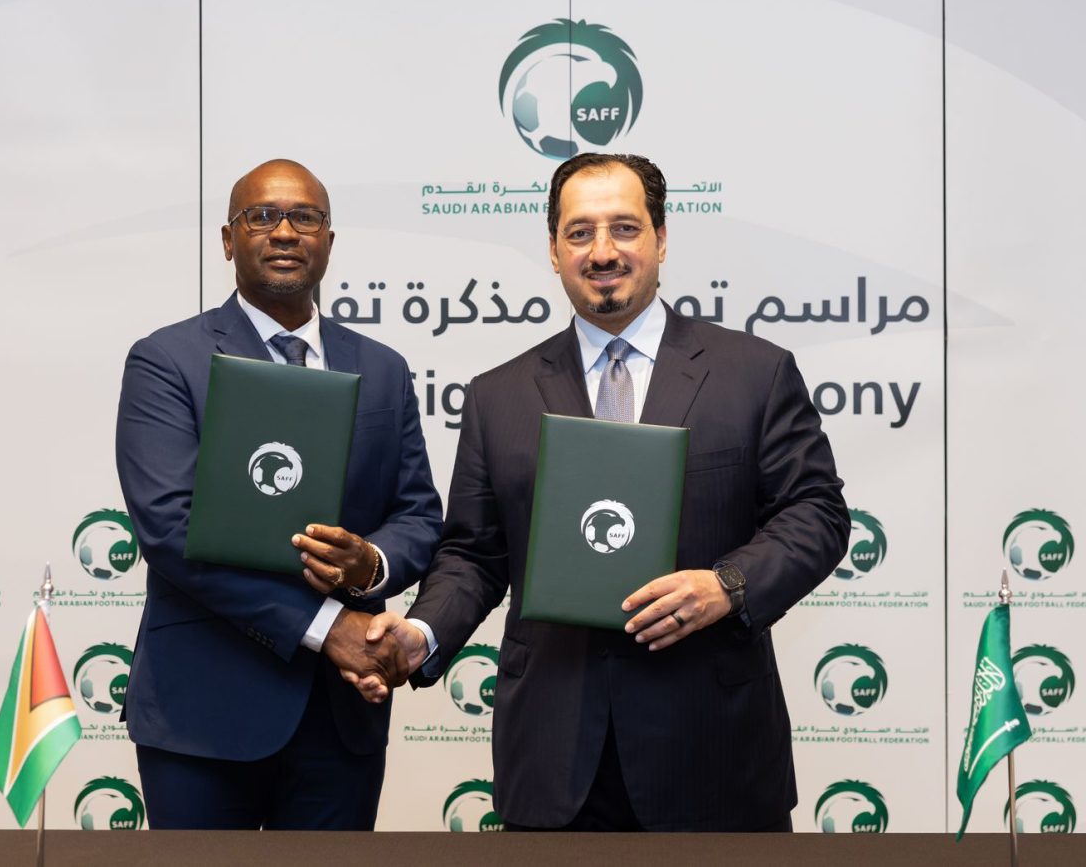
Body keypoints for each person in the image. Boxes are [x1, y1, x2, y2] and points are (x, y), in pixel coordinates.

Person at [360, 153, 850, 832]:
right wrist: (421, 631)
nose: (603, 251)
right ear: (555, 251)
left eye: (624, 228)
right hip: (555, 757)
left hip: (714, 748)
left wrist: (725, 585)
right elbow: (474, 555)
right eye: (580, 232)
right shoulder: (497, 396)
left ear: (662, 239)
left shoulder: (754, 373)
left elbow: (816, 514)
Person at [115, 159, 441, 830]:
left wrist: (370, 563)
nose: (285, 231)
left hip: (341, 718)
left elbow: (417, 512)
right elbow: (171, 529)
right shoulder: (167, 361)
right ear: (230, 240)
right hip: (202, 716)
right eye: (262, 216)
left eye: (305, 217)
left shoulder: (382, 369)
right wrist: (328, 629)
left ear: (328, 238)